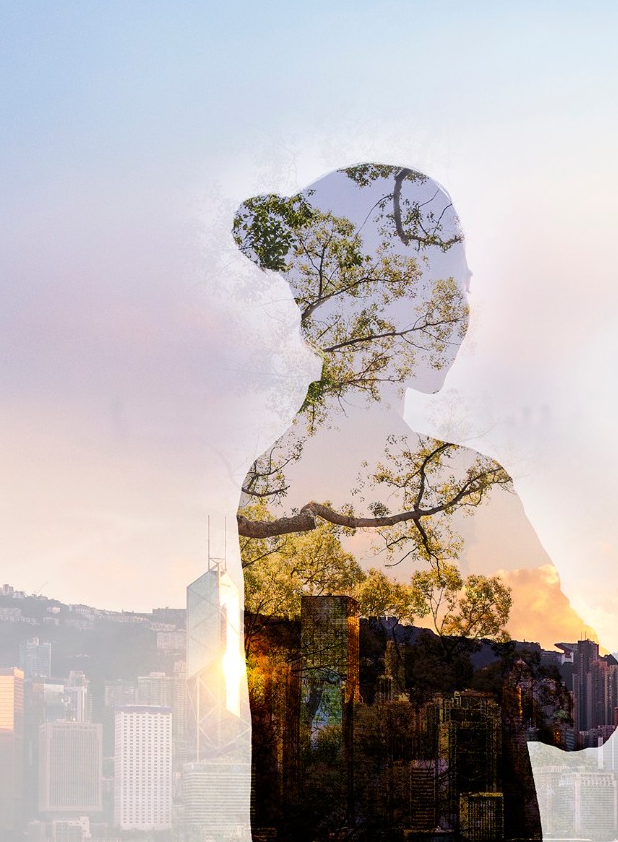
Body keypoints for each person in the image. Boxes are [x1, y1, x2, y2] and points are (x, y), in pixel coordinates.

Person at [233, 164, 564, 839]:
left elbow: (306, 732)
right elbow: (586, 709)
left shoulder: (267, 480)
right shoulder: (462, 485)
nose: (462, 309)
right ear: (385, 300)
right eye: (453, 284)